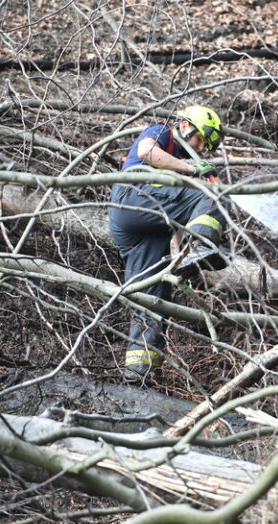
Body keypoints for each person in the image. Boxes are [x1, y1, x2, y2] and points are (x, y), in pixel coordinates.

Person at [109, 105, 229, 382]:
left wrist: (180, 258)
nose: (199, 148)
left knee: (152, 300)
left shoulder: (178, 173)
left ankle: (139, 374)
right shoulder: (164, 132)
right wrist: (190, 168)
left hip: (144, 227)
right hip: (134, 193)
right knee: (213, 194)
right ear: (187, 126)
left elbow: (177, 223)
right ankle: (201, 245)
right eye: (200, 140)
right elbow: (146, 152)